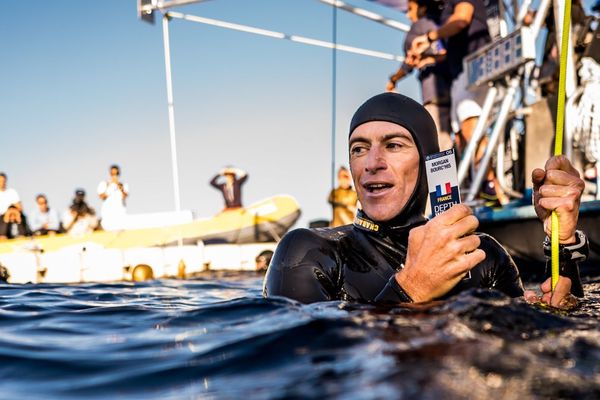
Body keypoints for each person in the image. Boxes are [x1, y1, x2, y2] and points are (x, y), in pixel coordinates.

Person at [264, 93, 585, 310]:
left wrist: (563, 242)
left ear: (431, 163)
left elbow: (550, 338)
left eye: (393, 145)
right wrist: (410, 289)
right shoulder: (308, 252)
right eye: (359, 148)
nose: (372, 162)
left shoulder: (480, 254)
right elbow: (300, 370)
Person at [410, 0, 508, 204]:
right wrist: (429, 55)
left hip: (474, 65)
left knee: (470, 127)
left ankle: (492, 188)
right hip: (459, 73)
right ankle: (483, 188)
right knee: (461, 136)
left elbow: (462, 18)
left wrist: (429, 37)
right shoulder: (445, 8)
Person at [387, 0, 453, 151]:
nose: (408, 14)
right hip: (457, 84)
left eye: (411, 9)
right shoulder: (445, 23)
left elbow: (408, 63)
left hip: (435, 92)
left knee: (439, 144)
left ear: (422, 7)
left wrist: (394, 79)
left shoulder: (418, 27)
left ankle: (444, 176)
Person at [97, 164, 129, 230]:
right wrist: (109, 185)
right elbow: (102, 196)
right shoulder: (104, 183)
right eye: (113, 173)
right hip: (107, 212)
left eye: (116, 173)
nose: (114, 175)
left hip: (120, 212)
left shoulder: (123, 184)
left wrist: (119, 186)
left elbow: (125, 196)